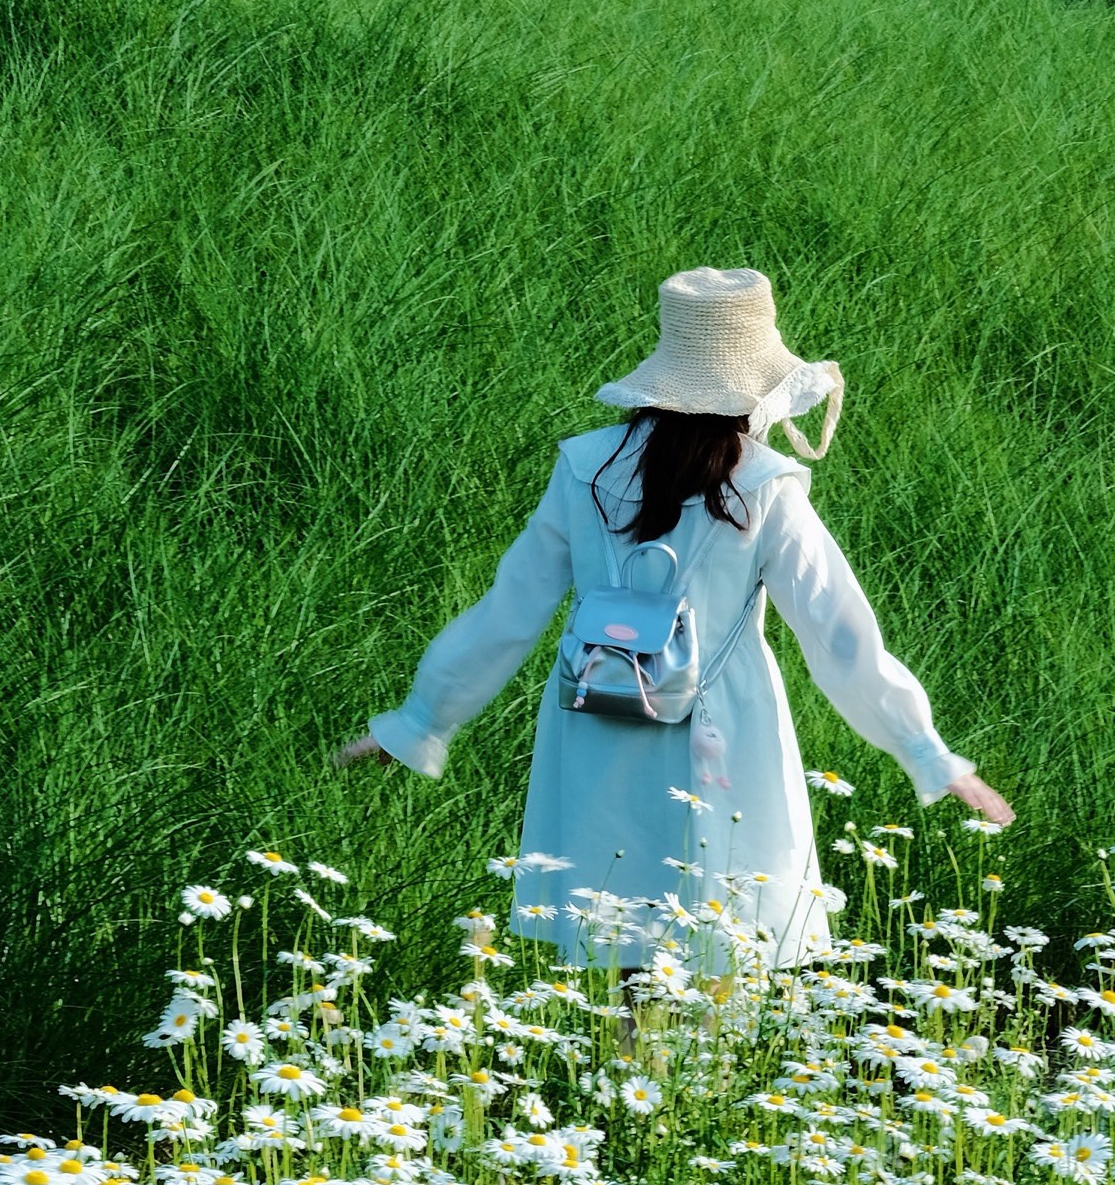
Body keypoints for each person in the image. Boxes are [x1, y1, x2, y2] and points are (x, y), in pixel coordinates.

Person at [337, 267, 1010, 967]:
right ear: (755, 385)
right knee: (722, 923)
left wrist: (420, 722)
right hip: (722, 719)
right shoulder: (762, 483)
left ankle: (637, 1062)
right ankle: (691, 1070)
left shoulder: (587, 467)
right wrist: (926, 751)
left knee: (617, 909)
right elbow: (837, 633)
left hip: (599, 710)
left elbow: (510, 609)